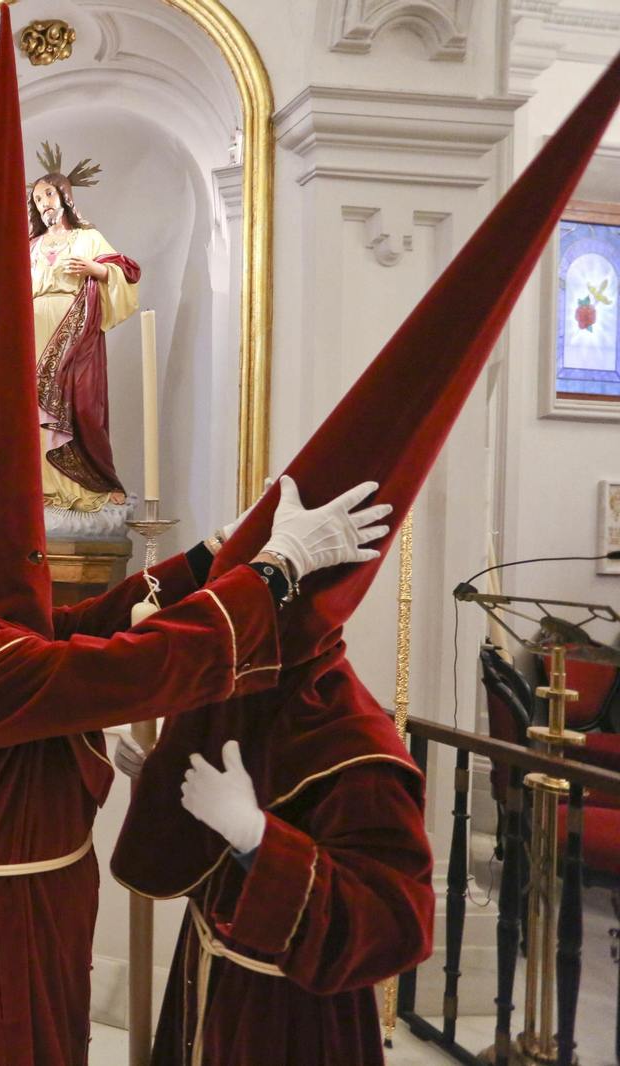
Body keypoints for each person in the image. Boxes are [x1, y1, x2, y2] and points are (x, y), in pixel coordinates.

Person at [0, 12, 389, 1065]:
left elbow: (86, 624)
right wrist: (278, 573)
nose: (35, 568)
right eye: (21, 551)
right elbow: (122, 668)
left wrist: (220, 553)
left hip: (38, 900)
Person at [109, 48, 620, 1066]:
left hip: (292, 1028)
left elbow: (398, 926)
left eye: (254, 598)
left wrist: (262, 839)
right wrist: (155, 769)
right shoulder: (245, 694)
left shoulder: (356, 748)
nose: (233, 621)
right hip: (210, 990)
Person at [28, 150, 138, 513]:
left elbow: (125, 272)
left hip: (75, 329)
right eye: (38, 198)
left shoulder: (87, 238)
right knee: (32, 408)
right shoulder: (29, 247)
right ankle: (40, 485)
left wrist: (97, 268)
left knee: (81, 404)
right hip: (33, 329)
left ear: (65, 196)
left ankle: (93, 481)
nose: (44, 203)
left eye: (49, 194)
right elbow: (6, 287)